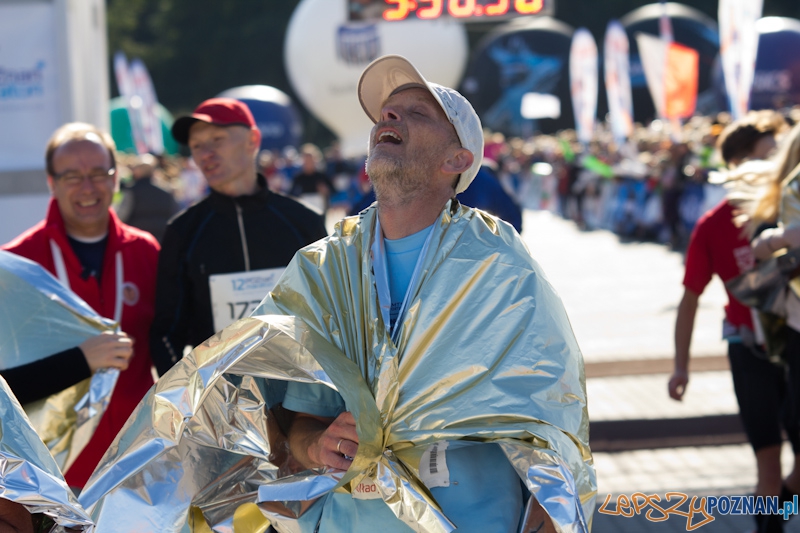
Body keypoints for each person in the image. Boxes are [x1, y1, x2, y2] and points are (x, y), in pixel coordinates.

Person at [258, 55, 592, 532]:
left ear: (456, 160)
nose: (389, 117)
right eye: (387, 113)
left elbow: (549, 405)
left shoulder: (496, 261)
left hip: (471, 519)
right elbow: (294, 415)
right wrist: (316, 445)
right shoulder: (324, 267)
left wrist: (553, 502)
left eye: (417, 113)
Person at [1, 122, 159, 489]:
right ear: (51, 182)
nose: (87, 188)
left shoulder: (146, 251)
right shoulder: (18, 265)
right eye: (72, 176)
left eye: (98, 174)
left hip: (138, 467)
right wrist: (80, 360)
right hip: (54, 480)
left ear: (115, 178)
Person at [669, 112, 797, 533]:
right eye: (767, 155)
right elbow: (689, 299)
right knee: (767, 463)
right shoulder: (713, 225)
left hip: (794, 345)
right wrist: (681, 366)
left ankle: (784, 500)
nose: (777, 162)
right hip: (750, 349)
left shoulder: (788, 208)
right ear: (740, 163)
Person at [150, 98, 327, 376]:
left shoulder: (303, 221)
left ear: (252, 140)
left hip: (302, 405)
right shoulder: (183, 232)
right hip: (219, 408)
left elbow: (332, 315)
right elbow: (167, 332)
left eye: (217, 140)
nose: (205, 153)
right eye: (197, 146)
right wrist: (188, 400)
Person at [116, 153, 179, 243]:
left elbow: (121, 216)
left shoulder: (131, 191)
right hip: (162, 242)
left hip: (137, 242)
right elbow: (175, 216)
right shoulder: (166, 192)